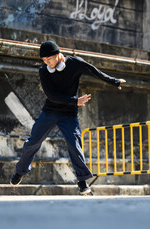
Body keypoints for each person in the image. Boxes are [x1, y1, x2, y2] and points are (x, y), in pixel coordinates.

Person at [10, 40, 126, 194]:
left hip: (68, 115)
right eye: (43, 60)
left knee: (74, 144)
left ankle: (82, 181)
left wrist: (114, 81)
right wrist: (75, 101)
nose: (46, 63)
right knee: (33, 141)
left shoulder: (75, 63)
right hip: (50, 111)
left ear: (58, 55)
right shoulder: (44, 71)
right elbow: (51, 96)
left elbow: (93, 70)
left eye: (49, 59)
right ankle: (20, 171)